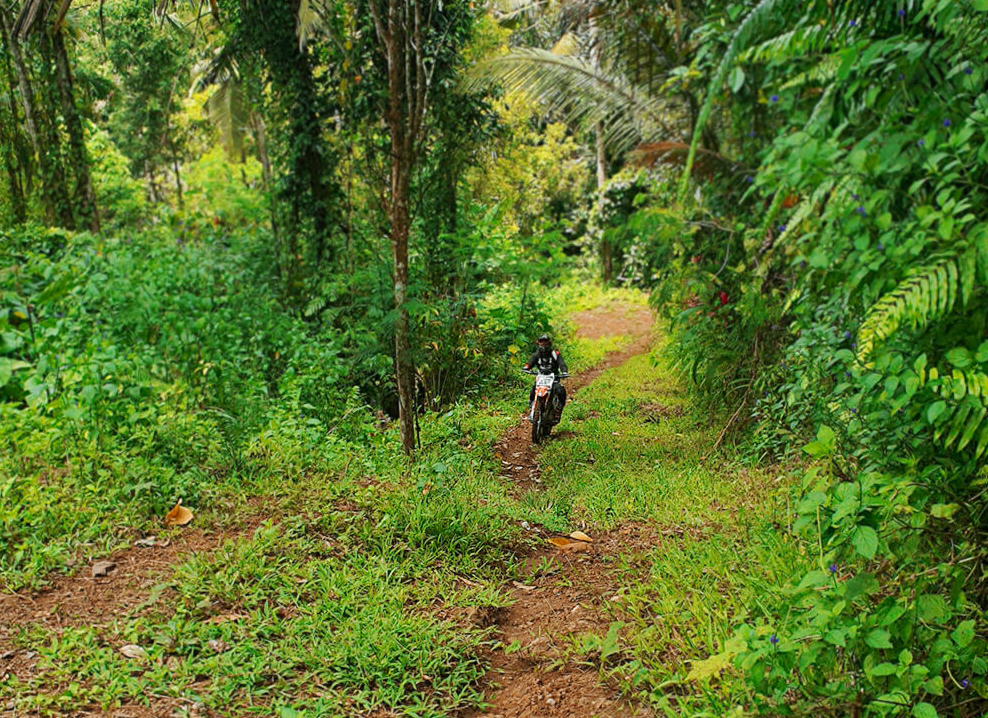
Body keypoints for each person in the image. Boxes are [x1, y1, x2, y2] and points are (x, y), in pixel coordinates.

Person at [523, 334, 568, 421]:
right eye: (541, 342)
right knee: (533, 389)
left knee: (560, 390)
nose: (543, 344)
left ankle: (558, 410)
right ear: (538, 343)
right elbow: (529, 363)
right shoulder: (536, 355)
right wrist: (526, 368)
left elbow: (562, 363)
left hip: (553, 378)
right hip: (541, 378)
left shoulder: (555, 354)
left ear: (549, 343)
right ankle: (532, 405)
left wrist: (564, 371)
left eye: (545, 341)